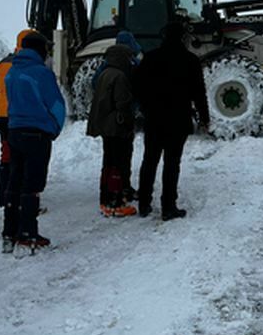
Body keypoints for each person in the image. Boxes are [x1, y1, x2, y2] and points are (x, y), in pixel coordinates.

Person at [133, 21, 210, 221]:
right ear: (183, 37)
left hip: (154, 118)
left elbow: (138, 87)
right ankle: (168, 206)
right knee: (172, 163)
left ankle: (143, 203)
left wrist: (146, 108)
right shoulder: (191, 60)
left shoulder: (150, 58)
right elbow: (199, 92)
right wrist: (204, 117)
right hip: (178, 119)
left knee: (149, 161)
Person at [3, 32, 66, 253]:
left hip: (14, 131)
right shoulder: (41, 73)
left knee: (15, 179)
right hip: (37, 134)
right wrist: (55, 128)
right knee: (33, 184)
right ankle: (28, 233)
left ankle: (9, 232)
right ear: (41, 50)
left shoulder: (12, 72)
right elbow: (56, 104)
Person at [87, 41, 138, 217]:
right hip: (117, 127)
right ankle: (116, 204)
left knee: (108, 164)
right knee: (118, 164)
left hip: (105, 127)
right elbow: (123, 104)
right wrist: (129, 122)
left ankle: (106, 200)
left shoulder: (105, 74)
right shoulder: (120, 77)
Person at [0, 29, 35, 215]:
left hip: (2, 116)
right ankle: (21, 199)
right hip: (20, 117)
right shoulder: (29, 64)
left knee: (6, 155)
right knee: (23, 158)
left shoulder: (3, 63)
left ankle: (4, 197)